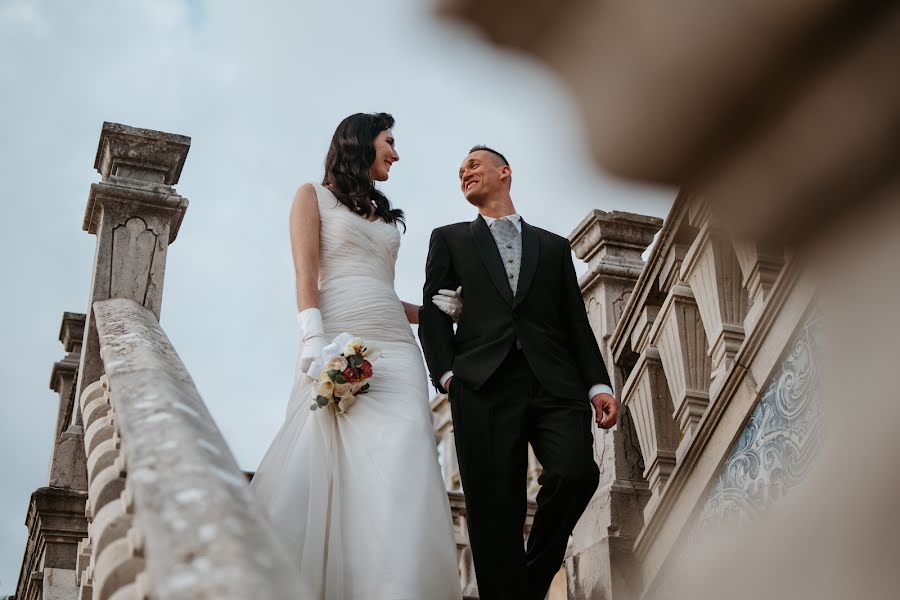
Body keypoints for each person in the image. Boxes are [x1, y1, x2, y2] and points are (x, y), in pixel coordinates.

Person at [251, 113, 463, 600]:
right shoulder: (313, 197)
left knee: (407, 455)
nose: (396, 153)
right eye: (390, 142)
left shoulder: (385, 214)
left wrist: (437, 312)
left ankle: (398, 587)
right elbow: (307, 275)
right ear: (362, 142)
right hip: (340, 341)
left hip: (398, 350)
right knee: (336, 467)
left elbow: (384, 291)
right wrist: (313, 340)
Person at [418, 146, 621, 600]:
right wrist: (448, 377)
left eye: (473, 164)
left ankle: (527, 583)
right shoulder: (449, 239)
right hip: (482, 386)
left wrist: (598, 384)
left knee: (575, 473)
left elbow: (575, 322)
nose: (464, 173)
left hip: (555, 383)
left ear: (503, 172)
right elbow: (434, 313)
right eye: (459, 171)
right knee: (494, 512)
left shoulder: (552, 247)